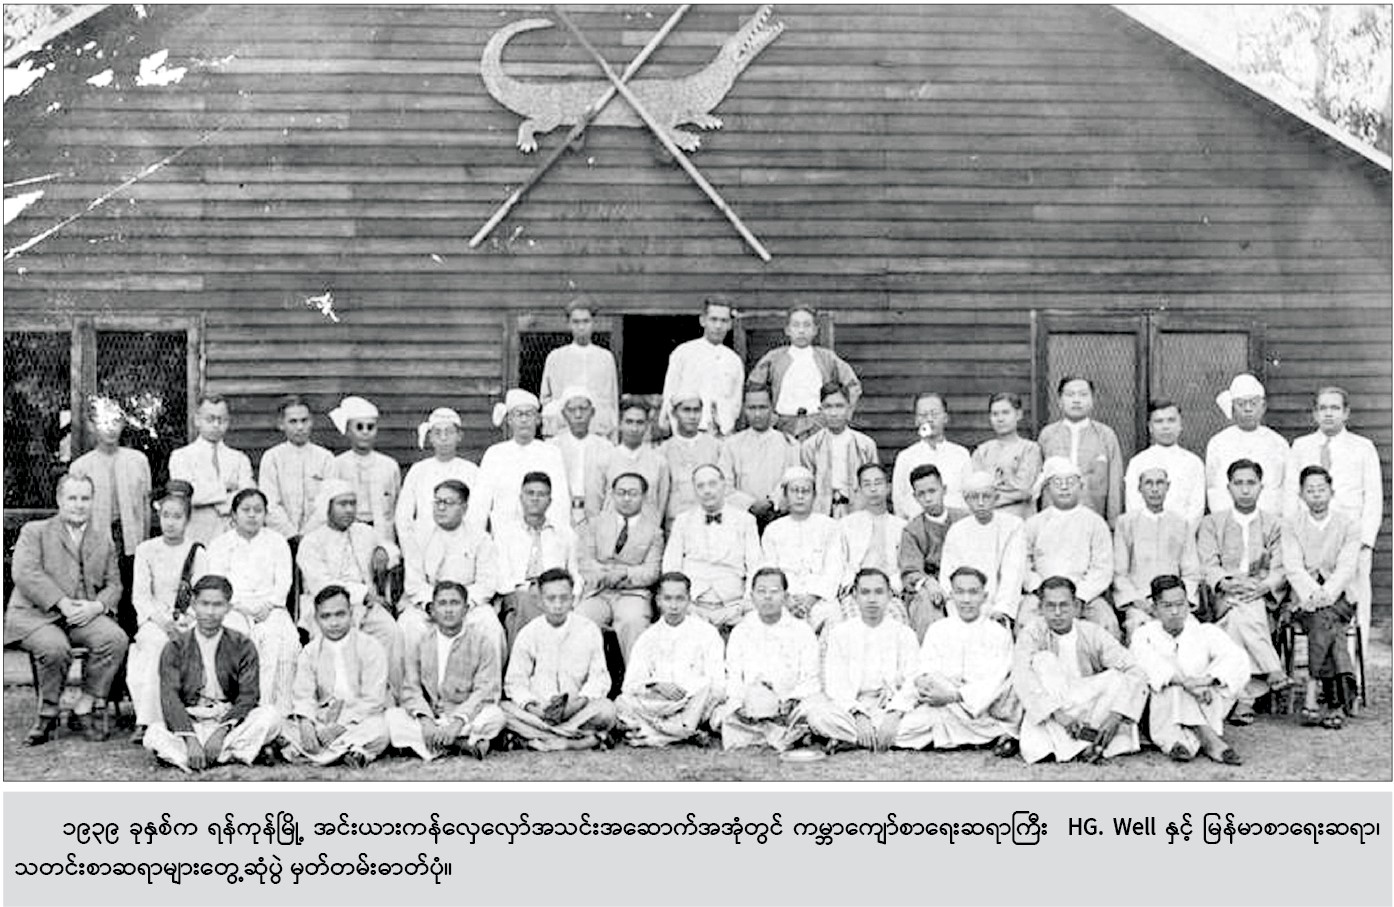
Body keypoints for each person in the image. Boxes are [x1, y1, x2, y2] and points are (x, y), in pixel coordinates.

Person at [6, 473, 129, 745]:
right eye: (72, 498)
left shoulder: (102, 539)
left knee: (115, 639)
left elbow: (114, 584)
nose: (79, 504)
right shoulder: (35, 532)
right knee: (54, 648)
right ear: (59, 499)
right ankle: (48, 711)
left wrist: (96, 606)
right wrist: (61, 602)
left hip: (82, 615)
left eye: (85, 498)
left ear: (92, 501)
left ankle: (84, 704)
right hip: (37, 615)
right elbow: (25, 573)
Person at [143, 575, 283, 772]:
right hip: (192, 721)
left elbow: (249, 695)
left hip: (228, 721)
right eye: (204, 604)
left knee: (270, 716)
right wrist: (190, 739)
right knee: (153, 734)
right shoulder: (175, 647)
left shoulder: (242, 645)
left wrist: (221, 731)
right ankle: (231, 753)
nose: (210, 612)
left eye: (217, 605)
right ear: (193, 604)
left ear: (228, 607)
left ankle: (197, 757)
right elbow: (170, 698)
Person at [1011, 576, 1146, 764]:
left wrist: (1116, 715)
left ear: (1076, 606)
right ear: (1040, 608)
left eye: (1064, 605)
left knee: (1117, 677)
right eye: (1050, 606)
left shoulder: (1092, 632)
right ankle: (1087, 744)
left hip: (1086, 706)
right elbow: (1022, 677)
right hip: (1052, 711)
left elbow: (1134, 670)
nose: (1058, 613)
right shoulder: (1031, 633)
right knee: (1043, 660)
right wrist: (1058, 715)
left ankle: (1082, 741)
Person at [1285, 386, 1382, 644]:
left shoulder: (1362, 447)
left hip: (1351, 538)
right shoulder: (1301, 446)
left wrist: (1365, 541)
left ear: (1346, 413)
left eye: (1335, 408)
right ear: (1315, 413)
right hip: (1311, 536)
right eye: (1323, 408)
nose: (1329, 414)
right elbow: (1291, 493)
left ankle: (1355, 657)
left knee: (1355, 595)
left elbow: (1373, 496)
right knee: (1313, 597)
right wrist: (1293, 533)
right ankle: (1319, 655)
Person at [1196, 458, 1291, 725]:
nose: (1245, 489)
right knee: (1241, 609)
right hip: (1224, 595)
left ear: (1261, 487)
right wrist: (1224, 583)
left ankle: (1242, 699)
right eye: (1238, 483)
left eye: (1251, 483)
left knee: (1240, 615)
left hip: (1262, 597)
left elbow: (1281, 567)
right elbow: (1207, 564)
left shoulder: (1275, 525)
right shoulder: (1212, 523)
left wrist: (1264, 586)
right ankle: (1271, 668)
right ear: (1229, 488)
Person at [888, 567, 1020, 754]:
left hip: (980, 712)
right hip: (941, 706)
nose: (966, 599)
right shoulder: (938, 629)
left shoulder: (998, 633)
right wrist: (901, 707)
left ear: (984, 596)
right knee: (896, 729)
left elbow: (996, 682)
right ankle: (966, 737)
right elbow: (923, 671)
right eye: (960, 592)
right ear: (951, 595)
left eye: (973, 592)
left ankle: (981, 735)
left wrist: (955, 696)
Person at [1130, 575, 1249, 765]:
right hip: (1161, 706)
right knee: (1171, 686)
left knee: (1223, 671)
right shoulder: (1144, 634)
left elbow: (1237, 659)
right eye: (1167, 606)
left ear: (1188, 604)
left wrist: (1205, 681)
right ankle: (1208, 738)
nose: (1175, 611)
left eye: (1180, 604)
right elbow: (1149, 665)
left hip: (1204, 700)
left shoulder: (1204, 631)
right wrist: (1187, 684)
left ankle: (1178, 742)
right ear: (1154, 608)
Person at [388, 581, 506, 760]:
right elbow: (411, 689)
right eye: (442, 604)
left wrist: (457, 722)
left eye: (454, 603)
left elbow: (484, 691)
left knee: (495, 716)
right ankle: (459, 744)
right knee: (393, 717)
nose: (448, 610)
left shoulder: (481, 642)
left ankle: (438, 743)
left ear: (466, 609)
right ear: (432, 610)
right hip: (433, 716)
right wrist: (426, 721)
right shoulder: (421, 642)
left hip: (465, 717)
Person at [805, 568, 920, 752]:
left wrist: (894, 714)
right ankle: (882, 738)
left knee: (932, 718)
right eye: (865, 592)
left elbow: (913, 681)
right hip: (853, 709)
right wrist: (859, 715)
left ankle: (856, 739)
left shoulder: (905, 634)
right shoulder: (840, 634)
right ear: (855, 596)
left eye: (879, 592)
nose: (872, 599)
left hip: (891, 707)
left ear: (890, 595)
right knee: (818, 715)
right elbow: (836, 684)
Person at [206, 488, 300, 713]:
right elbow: (217, 583)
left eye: (258, 510)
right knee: (233, 638)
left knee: (282, 639)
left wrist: (270, 604)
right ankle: (235, 706)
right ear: (234, 514)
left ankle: (274, 708)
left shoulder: (277, 542)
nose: (252, 515)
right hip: (232, 607)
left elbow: (284, 581)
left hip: (271, 606)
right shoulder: (220, 544)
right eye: (246, 510)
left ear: (265, 514)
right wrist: (240, 606)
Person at [502, 568, 616, 751]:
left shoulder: (588, 630)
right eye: (551, 599)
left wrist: (578, 703)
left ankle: (542, 738)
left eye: (564, 598)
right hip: (539, 713)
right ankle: (578, 740)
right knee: (503, 710)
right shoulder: (528, 633)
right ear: (540, 601)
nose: (557, 605)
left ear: (573, 599)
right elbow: (515, 682)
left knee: (607, 710)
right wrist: (533, 707)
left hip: (576, 710)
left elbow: (599, 678)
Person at [1283, 466, 1362, 728]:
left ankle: (1312, 689)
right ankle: (1336, 701)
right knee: (1326, 623)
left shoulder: (1349, 524)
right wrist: (1312, 593)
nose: (1316, 495)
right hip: (1303, 599)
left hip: (1340, 598)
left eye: (1321, 489)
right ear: (1301, 495)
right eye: (1310, 490)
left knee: (1324, 617)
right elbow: (1293, 566)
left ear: (1331, 491)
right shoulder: (1291, 524)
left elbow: (1347, 567)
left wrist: (1326, 594)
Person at [128, 481, 206, 743]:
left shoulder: (197, 552)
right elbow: (141, 595)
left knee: (198, 641)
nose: (170, 522)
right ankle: (148, 720)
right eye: (166, 516)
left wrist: (187, 619)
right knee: (155, 644)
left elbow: (202, 593)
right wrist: (163, 623)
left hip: (189, 618)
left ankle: (186, 715)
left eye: (177, 517)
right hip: (155, 619)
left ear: (187, 519)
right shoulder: (146, 550)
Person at [280, 585, 391, 768]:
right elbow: (303, 695)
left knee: (381, 728)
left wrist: (341, 727)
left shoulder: (370, 647)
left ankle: (323, 752)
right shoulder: (310, 652)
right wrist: (307, 723)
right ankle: (350, 751)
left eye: (340, 614)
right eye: (326, 616)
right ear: (316, 619)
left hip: (359, 719)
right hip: (323, 720)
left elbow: (373, 700)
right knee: (281, 724)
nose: (334, 623)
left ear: (351, 613)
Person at [68, 395, 150, 636]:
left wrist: (143, 543)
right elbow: (75, 512)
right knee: (103, 601)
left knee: (131, 601)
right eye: (104, 423)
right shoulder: (81, 466)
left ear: (123, 424)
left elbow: (144, 505)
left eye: (115, 422)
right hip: (97, 543)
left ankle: (132, 655)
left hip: (131, 541)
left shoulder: (138, 460)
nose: (110, 429)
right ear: (92, 426)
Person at [711, 568, 820, 751]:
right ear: (752, 597)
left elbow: (811, 679)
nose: (767, 597)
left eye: (774, 591)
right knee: (721, 716)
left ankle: (767, 733)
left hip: (789, 705)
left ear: (786, 597)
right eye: (761, 591)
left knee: (814, 712)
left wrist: (789, 700)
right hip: (751, 705)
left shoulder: (802, 631)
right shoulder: (741, 631)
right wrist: (741, 703)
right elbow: (734, 677)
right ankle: (780, 735)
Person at [398, 479, 502, 665]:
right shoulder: (418, 537)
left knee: (491, 627)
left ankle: (488, 681)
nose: (441, 508)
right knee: (408, 626)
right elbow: (414, 583)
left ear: (464, 508)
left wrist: (460, 605)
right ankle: (411, 683)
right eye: (437, 501)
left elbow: (486, 583)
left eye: (448, 502)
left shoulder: (480, 539)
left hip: (469, 605)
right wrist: (435, 605)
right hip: (428, 604)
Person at [616, 572, 725, 747]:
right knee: (622, 702)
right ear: (658, 601)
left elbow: (718, 685)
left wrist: (685, 691)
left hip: (692, 703)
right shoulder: (648, 637)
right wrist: (657, 686)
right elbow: (630, 684)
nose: (674, 606)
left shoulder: (707, 633)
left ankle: (657, 735)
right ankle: (682, 732)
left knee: (706, 688)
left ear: (689, 600)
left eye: (679, 599)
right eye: (668, 599)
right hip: (657, 705)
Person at [295, 480, 399, 660]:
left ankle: (383, 679)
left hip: (367, 606)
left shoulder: (364, 531)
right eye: (343, 504)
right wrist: (363, 594)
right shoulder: (311, 542)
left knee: (390, 631)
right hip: (327, 607)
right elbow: (322, 586)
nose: (349, 509)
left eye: (353, 504)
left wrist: (384, 551)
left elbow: (393, 551)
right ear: (327, 507)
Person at [1019, 458, 1120, 640]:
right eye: (1057, 482)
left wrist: (1081, 596)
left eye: (1070, 482)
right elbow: (1023, 564)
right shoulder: (1034, 523)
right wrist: (1038, 589)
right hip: (1042, 594)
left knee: (1107, 623)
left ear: (1081, 486)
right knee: (1025, 622)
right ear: (1048, 488)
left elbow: (1102, 567)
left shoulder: (1095, 523)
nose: (1064, 487)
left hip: (1085, 595)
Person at [661, 463, 762, 634]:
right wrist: (687, 605)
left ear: (724, 485)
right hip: (693, 604)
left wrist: (743, 605)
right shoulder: (683, 521)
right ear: (694, 490)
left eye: (712, 484)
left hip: (733, 603)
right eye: (700, 486)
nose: (707, 491)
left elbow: (755, 565)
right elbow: (671, 566)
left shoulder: (745, 520)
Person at [577, 472, 663, 663]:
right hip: (599, 591)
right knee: (581, 618)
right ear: (612, 494)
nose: (626, 498)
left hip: (634, 594)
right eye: (621, 492)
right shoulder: (595, 524)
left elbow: (652, 571)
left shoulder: (654, 532)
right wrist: (606, 574)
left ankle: (634, 677)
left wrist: (624, 573)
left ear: (644, 496)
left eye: (633, 493)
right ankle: (584, 676)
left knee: (633, 621)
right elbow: (585, 561)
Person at [1112, 467, 1202, 642]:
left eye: (1160, 483)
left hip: (1175, 602)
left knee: (1192, 633)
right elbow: (1119, 573)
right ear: (1140, 488)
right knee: (1139, 631)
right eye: (1149, 483)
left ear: (1168, 487)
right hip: (1140, 603)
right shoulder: (1126, 523)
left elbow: (1191, 571)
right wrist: (1139, 602)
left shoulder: (1180, 523)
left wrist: (1178, 602)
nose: (1155, 489)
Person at [493, 472, 581, 650]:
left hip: (555, 594)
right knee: (525, 601)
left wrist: (570, 596)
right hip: (516, 593)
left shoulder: (565, 534)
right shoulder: (505, 533)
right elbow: (500, 576)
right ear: (521, 498)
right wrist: (529, 588)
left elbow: (574, 572)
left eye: (541, 494)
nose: (535, 499)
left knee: (554, 603)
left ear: (550, 500)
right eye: (530, 493)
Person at [747, 305, 861, 440]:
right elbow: (754, 385)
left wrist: (842, 415)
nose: (801, 331)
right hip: (782, 425)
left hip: (818, 425)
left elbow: (853, 385)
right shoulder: (774, 358)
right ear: (787, 330)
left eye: (807, 325)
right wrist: (768, 417)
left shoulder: (827, 358)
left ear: (815, 330)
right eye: (796, 325)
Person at [467, 389, 570, 533]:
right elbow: (480, 502)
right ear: (509, 420)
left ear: (538, 419)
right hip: (503, 533)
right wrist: (475, 537)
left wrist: (558, 534)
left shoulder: (551, 453)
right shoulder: (495, 454)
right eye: (518, 414)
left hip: (542, 533)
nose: (524, 420)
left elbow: (560, 499)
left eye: (529, 414)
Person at [760, 466, 846, 634]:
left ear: (814, 495)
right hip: (784, 598)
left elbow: (834, 568)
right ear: (786, 495)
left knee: (834, 624)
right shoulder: (773, 530)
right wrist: (787, 599)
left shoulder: (830, 527)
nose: (800, 496)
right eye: (794, 491)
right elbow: (770, 569)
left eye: (805, 491)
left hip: (820, 597)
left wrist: (811, 598)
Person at [940, 471, 1027, 628]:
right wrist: (957, 611)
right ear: (966, 500)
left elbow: (1013, 573)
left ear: (996, 497)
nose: (980, 503)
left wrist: (1001, 610)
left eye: (986, 496)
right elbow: (948, 574)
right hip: (963, 607)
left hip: (997, 609)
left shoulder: (1013, 526)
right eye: (974, 497)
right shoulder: (957, 530)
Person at [396, 407, 481, 564]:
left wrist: (470, 550)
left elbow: (477, 515)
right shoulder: (418, 471)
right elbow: (403, 517)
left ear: (459, 436)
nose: (443, 438)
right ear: (430, 437)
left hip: (462, 550)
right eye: (437, 433)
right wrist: (412, 553)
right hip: (424, 546)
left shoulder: (472, 471)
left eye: (449, 432)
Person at [168, 394, 255, 544]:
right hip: (197, 537)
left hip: (233, 538)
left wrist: (211, 496)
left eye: (221, 420)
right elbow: (189, 496)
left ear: (228, 422)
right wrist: (225, 489)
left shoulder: (239, 459)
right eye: (210, 419)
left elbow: (248, 497)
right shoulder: (181, 457)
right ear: (197, 420)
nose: (216, 425)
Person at [1037, 377, 1124, 526]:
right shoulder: (1048, 435)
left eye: (1083, 395)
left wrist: (1113, 523)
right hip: (1052, 520)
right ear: (1060, 401)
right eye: (1070, 395)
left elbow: (1114, 482)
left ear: (1092, 400)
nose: (1076, 400)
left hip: (1093, 517)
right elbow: (1038, 481)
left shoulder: (1105, 435)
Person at [897, 465, 967, 640]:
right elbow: (910, 570)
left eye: (932, 491)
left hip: (966, 580)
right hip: (933, 586)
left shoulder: (964, 519)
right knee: (927, 603)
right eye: (921, 494)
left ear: (944, 489)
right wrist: (928, 582)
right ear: (915, 497)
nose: (928, 498)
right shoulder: (912, 530)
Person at [659, 295, 744, 437]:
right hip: (689, 433)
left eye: (724, 321)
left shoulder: (734, 361)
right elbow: (670, 396)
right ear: (703, 320)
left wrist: (726, 429)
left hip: (722, 435)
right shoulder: (683, 353)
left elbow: (735, 403)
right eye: (713, 319)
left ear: (730, 324)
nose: (718, 326)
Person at [1205, 373, 1289, 517]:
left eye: (1253, 403)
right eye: (1241, 404)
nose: (1248, 409)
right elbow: (1213, 487)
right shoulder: (1218, 442)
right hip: (1228, 519)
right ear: (1232, 407)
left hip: (1270, 519)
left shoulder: (1278, 443)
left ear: (1263, 407)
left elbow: (1286, 486)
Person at [258, 394, 335, 543]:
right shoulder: (272, 458)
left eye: (304, 420)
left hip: (318, 538)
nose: (300, 427)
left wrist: (307, 535)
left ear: (311, 422)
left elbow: (327, 502)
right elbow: (270, 502)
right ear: (281, 424)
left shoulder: (325, 458)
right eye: (293, 421)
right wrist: (290, 535)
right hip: (281, 538)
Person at [723, 385, 800, 533]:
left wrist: (772, 502)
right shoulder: (731, 445)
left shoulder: (789, 444)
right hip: (740, 520)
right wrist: (750, 504)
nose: (757, 414)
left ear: (772, 408)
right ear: (744, 409)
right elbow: (724, 485)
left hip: (779, 520)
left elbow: (793, 480)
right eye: (752, 408)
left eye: (763, 407)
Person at [539, 296, 618, 439]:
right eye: (576, 322)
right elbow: (546, 399)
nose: (581, 327)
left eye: (586, 321)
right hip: (563, 432)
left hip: (597, 432)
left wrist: (613, 435)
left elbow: (611, 400)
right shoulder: (556, 357)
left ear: (593, 323)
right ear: (569, 324)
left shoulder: (605, 358)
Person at [837, 464, 909, 622]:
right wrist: (850, 585)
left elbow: (903, 565)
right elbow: (840, 561)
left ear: (888, 487)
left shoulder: (902, 526)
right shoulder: (846, 524)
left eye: (878, 483)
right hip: (857, 589)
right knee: (853, 622)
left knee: (895, 620)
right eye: (867, 484)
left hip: (889, 590)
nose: (873, 489)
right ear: (860, 490)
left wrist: (893, 587)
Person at [584, 395, 670, 524]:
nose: (634, 428)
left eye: (640, 422)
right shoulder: (604, 460)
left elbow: (661, 505)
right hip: (610, 531)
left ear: (647, 425)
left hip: (646, 531)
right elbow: (593, 505)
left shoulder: (659, 462)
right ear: (620, 424)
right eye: (629, 422)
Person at [329, 395, 401, 549]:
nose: (365, 432)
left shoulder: (389, 465)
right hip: (348, 533)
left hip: (381, 532)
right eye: (359, 427)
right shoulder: (337, 464)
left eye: (370, 427)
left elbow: (395, 505)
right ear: (348, 431)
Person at [801, 382, 879, 518]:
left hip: (858, 510)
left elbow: (874, 481)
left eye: (839, 406)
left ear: (849, 408)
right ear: (820, 409)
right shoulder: (811, 446)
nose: (834, 413)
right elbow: (806, 484)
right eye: (828, 407)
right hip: (821, 511)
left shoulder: (864, 444)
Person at [1123, 400, 1205, 527]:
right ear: (1150, 427)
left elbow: (1196, 507)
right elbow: (1133, 504)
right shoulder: (1138, 462)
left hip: (1184, 533)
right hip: (1145, 532)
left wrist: (1183, 533)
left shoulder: (1193, 462)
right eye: (1159, 421)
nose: (1165, 426)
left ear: (1180, 425)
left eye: (1171, 420)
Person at [659, 390, 732, 530]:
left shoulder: (717, 446)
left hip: (710, 522)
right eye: (686, 410)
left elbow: (726, 486)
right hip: (675, 523)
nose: (692, 416)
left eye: (696, 410)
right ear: (674, 413)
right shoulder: (663, 451)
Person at [891, 392, 971, 517]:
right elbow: (899, 500)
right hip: (917, 525)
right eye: (923, 415)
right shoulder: (905, 457)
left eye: (934, 414)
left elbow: (969, 496)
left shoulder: (961, 454)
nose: (929, 419)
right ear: (916, 420)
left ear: (945, 417)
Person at [545, 385, 614, 525]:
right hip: (560, 517)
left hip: (597, 516)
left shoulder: (606, 447)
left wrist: (604, 520)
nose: (578, 415)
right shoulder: (552, 447)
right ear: (564, 414)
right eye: (572, 410)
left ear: (592, 412)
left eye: (583, 409)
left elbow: (611, 490)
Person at [970, 392, 1042, 521]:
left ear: (1018, 415)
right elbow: (978, 489)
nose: (1000, 419)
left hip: (1020, 518)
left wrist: (990, 496)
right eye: (995, 414)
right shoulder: (982, 451)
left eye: (1005, 413)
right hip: (988, 520)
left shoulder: (1030, 449)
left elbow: (1024, 490)